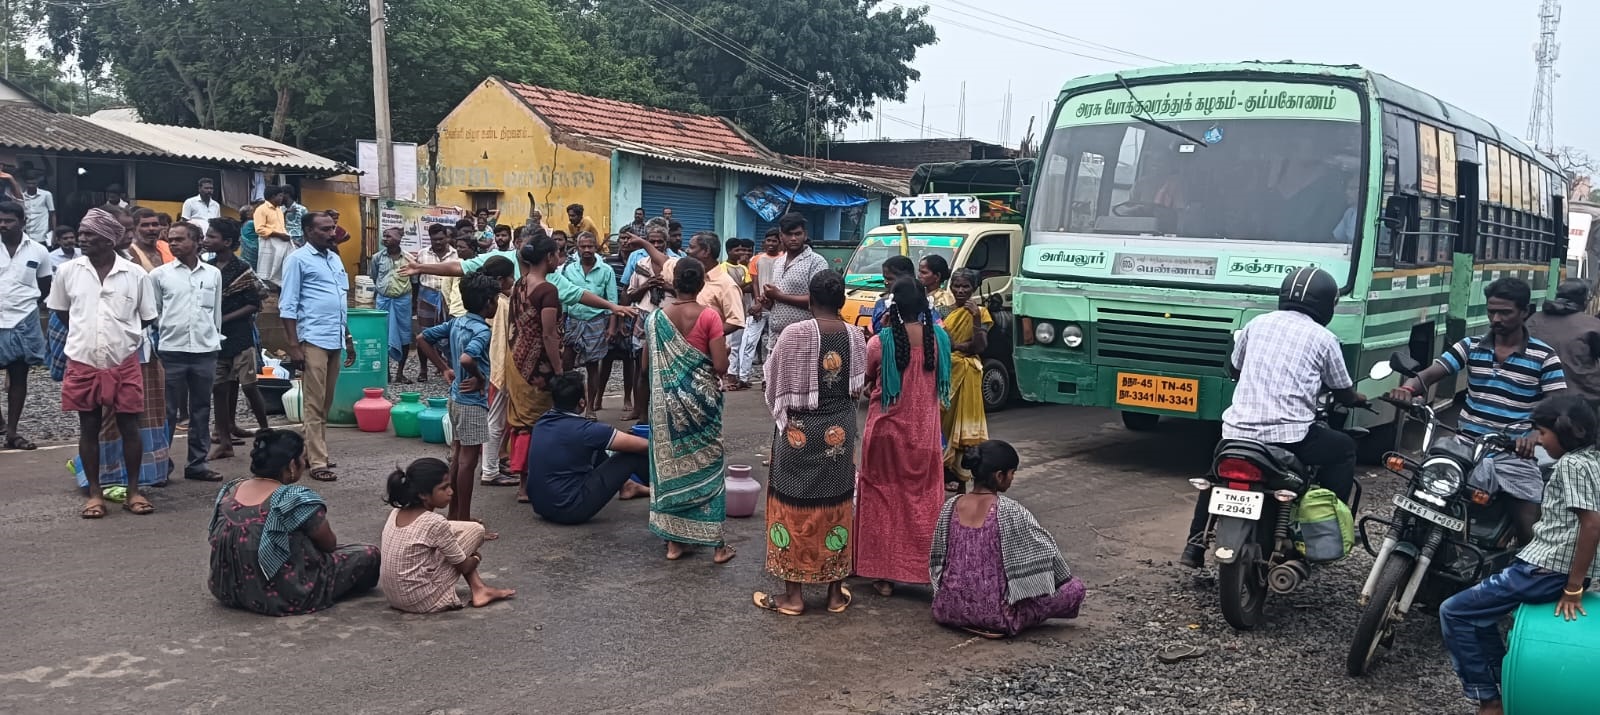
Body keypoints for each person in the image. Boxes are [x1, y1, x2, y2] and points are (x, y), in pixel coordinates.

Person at [1182, 268, 1364, 567]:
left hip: (1237, 432)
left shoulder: (1256, 324)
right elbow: (1343, 391)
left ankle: (1193, 547)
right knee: (1344, 449)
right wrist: (1358, 398)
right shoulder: (1325, 338)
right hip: (1291, 438)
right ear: (1326, 304)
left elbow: (1235, 368)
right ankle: (1323, 531)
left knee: (1215, 476)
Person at [1438, 395, 1600, 715]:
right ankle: (1506, 681)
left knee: (1453, 612)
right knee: (1480, 616)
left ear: (1568, 430)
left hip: (1545, 569)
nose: (1539, 441)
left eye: (1542, 433)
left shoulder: (1570, 464)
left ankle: (1489, 699)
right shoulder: (1592, 461)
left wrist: (1573, 586)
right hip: (1545, 565)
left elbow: (1592, 524)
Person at [1387, 277, 1566, 543]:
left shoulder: (1544, 356)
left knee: (1528, 512)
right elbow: (1429, 374)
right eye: (1491, 311)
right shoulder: (1469, 346)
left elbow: (1557, 404)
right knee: (1420, 486)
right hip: (1464, 444)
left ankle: (1533, 568)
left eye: (1505, 312)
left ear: (1525, 312)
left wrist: (1534, 434)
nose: (1496, 318)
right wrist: (1409, 389)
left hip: (1512, 451)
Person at [752, 271, 866, 616]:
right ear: (842, 301)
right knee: (837, 502)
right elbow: (856, 388)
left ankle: (794, 597)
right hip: (839, 433)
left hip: (798, 433)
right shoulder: (856, 335)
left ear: (811, 301)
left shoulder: (794, 334)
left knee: (791, 503)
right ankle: (833, 594)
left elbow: (772, 381)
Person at [47, 208, 159, 517]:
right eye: (81, 233)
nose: (82, 238)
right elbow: (61, 313)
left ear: (109, 239)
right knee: (89, 427)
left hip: (124, 361)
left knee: (130, 427)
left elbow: (147, 317)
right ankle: (94, 493)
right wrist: (88, 335)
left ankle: (134, 490)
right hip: (83, 361)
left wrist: (118, 336)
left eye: (90, 234)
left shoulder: (135, 274)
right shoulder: (68, 272)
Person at [208, 429, 381, 616]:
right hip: (284, 595)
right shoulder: (293, 499)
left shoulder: (231, 489)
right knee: (368, 554)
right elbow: (329, 544)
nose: (304, 463)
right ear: (291, 465)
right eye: (302, 459)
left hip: (226, 589)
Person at [930, 440, 1086, 638]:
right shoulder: (1010, 510)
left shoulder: (951, 505)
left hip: (947, 609)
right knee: (1075, 589)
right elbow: (1047, 551)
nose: (1012, 478)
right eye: (1012, 473)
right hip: (998, 615)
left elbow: (939, 559)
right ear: (999, 475)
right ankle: (996, 616)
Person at [855, 277, 952, 597]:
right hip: (924, 435)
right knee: (925, 502)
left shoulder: (880, 342)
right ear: (925, 305)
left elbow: (866, 380)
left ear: (892, 307)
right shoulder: (940, 339)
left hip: (884, 434)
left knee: (881, 501)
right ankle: (924, 569)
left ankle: (882, 575)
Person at [646, 257, 735, 564]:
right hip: (702, 403)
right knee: (708, 465)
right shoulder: (709, 316)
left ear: (674, 283)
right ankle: (718, 547)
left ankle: (674, 544)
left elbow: (646, 365)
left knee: (671, 468)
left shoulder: (656, 319)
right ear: (701, 284)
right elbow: (721, 367)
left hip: (667, 406)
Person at [416, 274, 500, 523]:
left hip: (455, 399)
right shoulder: (482, 330)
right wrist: (480, 377)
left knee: (458, 456)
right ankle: (463, 519)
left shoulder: (457, 322)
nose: (496, 304)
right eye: (495, 300)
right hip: (472, 402)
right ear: (487, 302)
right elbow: (467, 359)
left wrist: (444, 368)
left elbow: (422, 338)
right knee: (467, 462)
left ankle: (454, 514)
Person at [380, 457, 516, 612]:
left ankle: (479, 589)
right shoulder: (435, 522)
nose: (451, 492)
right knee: (476, 531)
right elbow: (464, 567)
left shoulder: (395, 512)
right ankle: (479, 589)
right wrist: (476, 557)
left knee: (452, 542)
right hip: (420, 600)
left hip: (394, 597)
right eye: (444, 488)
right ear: (423, 494)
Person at [279, 211, 356, 483]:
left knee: (326, 401)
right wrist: (293, 346)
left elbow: (340, 304)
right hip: (312, 338)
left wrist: (348, 338)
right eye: (324, 229)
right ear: (308, 232)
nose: (330, 233)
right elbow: (287, 305)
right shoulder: (297, 260)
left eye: (332, 228)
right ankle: (318, 461)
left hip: (335, 337)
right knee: (313, 402)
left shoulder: (334, 259)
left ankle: (311, 452)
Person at [525, 372, 652, 524]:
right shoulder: (587, 431)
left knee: (597, 447)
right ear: (582, 403)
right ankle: (669, 497)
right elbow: (645, 446)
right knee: (632, 456)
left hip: (541, 506)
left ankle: (627, 486)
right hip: (569, 509)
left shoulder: (542, 422)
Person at [150, 222, 224, 482]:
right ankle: (160, 466)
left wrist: (214, 338)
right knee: (167, 412)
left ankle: (197, 464)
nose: (173, 244)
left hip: (205, 351)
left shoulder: (213, 274)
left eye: (180, 239)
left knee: (201, 409)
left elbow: (216, 313)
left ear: (197, 241)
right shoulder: (159, 275)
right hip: (172, 350)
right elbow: (154, 313)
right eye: (171, 240)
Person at [506, 238, 567, 499]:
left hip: (514, 359)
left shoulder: (519, 283)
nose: (559, 259)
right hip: (537, 367)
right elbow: (549, 335)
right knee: (538, 424)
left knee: (520, 422)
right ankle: (528, 484)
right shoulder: (547, 290)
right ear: (549, 258)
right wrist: (559, 369)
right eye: (557, 254)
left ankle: (522, 480)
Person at [204, 218, 269, 460]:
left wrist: (223, 318)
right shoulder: (208, 268)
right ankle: (224, 437)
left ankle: (265, 430)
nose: (206, 240)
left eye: (212, 236)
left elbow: (254, 303)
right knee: (220, 387)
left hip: (240, 336)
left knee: (250, 386)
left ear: (227, 242)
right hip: (216, 339)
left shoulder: (241, 269)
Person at [0, 201, 51, 450]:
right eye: (0, 220)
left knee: (19, 377)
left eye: (8, 220)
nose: (3, 224)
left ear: (22, 222)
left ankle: (12, 433)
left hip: (23, 319)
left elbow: (45, 286)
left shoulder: (39, 251)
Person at [939, 269, 991, 489]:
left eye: (966, 287)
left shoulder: (981, 313)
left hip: (967, 374)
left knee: (962, 428)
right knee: (942, 423)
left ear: (974, 288)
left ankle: (960, 478)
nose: (960, 290)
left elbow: (980, 346)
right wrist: (961, 347)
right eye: (957, 286)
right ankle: (941, 474)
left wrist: (976, 319)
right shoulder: (943, 311)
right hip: (946, 371)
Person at [559, 232, 618, 417]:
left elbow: (612, 300)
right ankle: (569, 406)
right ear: (577, 248)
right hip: (574, 322)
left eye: (590, 246)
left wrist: (611, 327)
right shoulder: (569, 269)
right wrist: (562, 319)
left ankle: (590, 408)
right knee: (566, 363)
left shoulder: (606, 270)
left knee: (593, 366)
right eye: (583, 246)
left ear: (596, 247)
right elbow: (565, 299)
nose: (586, 250)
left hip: (596, 322)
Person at [1527, 279, 1600, 408]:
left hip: (1537, 396)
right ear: (1584, 301)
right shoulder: (1592, 326)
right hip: (1581, 400)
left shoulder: (1534, 320)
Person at [762, 214, 831, 345]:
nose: (793, 238)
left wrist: (780, 296)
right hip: (776, 337)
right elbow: (778, 300)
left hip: (803, 338)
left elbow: (819, 301)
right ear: (781, 236)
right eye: (789, 234)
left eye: (797, 234)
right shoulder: (778, 262)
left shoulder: (817, 262)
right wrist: (770, 301)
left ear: (805, 235)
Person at [411, 223, 459, 382]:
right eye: (434, 239)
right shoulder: (422, 254)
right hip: (427, 295)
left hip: (448, 298)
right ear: (430, 239)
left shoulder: (456, 254)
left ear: (447, 237)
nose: (438, 242)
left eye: (441, 239)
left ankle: (450, 368)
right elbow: (415, 280)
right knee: (424, 335)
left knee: (448, 334)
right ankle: (423, 369)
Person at [736, 229, 782, 385]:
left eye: (774, 240)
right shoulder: (756, 260)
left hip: (777, 307)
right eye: (768, 240)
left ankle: (767, 379)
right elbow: (755, 283)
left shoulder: (784, 259)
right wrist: (757, 303)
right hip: (759, 308)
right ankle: (743, 376)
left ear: (779, 242)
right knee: (749, 341)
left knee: (772, 345)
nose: (771, 243)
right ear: (764, 242)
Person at [371, 227, 416, 384]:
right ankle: (386, 372)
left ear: (398, 239)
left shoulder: (409, 259)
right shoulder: (377, 258)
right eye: (384, 236)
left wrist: (413, 304)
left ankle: (400, 373)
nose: (385, 238)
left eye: (389, 236)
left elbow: (415, 282)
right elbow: (375, 276)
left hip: (403, 301)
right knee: (382, 335)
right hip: (383, 300)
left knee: (404, 335)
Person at [254, 187, 292, 285]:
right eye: (280, 196)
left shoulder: (279, 210)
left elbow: (281, 227)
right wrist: (279, 235)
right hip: (270, 243)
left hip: (282, 243)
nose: (282, 198)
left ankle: (281, 289)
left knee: (283, 270)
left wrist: (286, 236)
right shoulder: (261, 210)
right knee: (269, 270)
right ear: (272, 197)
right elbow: (259, 229)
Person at [19, 171, 54, 246]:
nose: (31, 186)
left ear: (37, 183)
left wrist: (53, 233)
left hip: (42, 234)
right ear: (25, 183)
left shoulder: (46, 195)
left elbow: (52, 214)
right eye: (29, 183)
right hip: (27, 234)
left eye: (33, 183)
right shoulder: (22, 197)